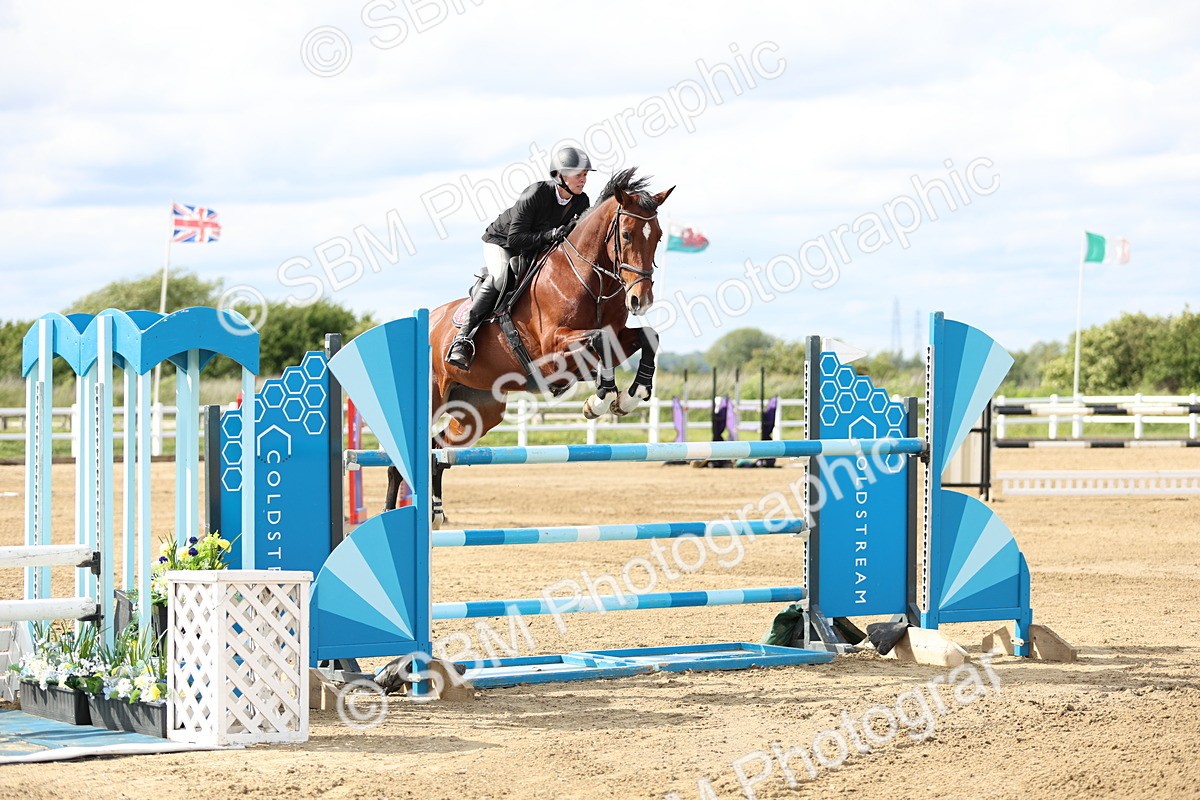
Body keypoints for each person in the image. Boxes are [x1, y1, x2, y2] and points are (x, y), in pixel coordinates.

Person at [446, 146, 595, 370]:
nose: (583, 180)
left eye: (585, 175)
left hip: (536, 247)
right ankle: (463, 338)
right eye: (578, 175)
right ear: (560, 176)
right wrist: (551, 234)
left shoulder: (582, 202)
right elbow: (516, 239)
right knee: (500, 278)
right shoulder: (535, 194)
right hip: (503, 242)